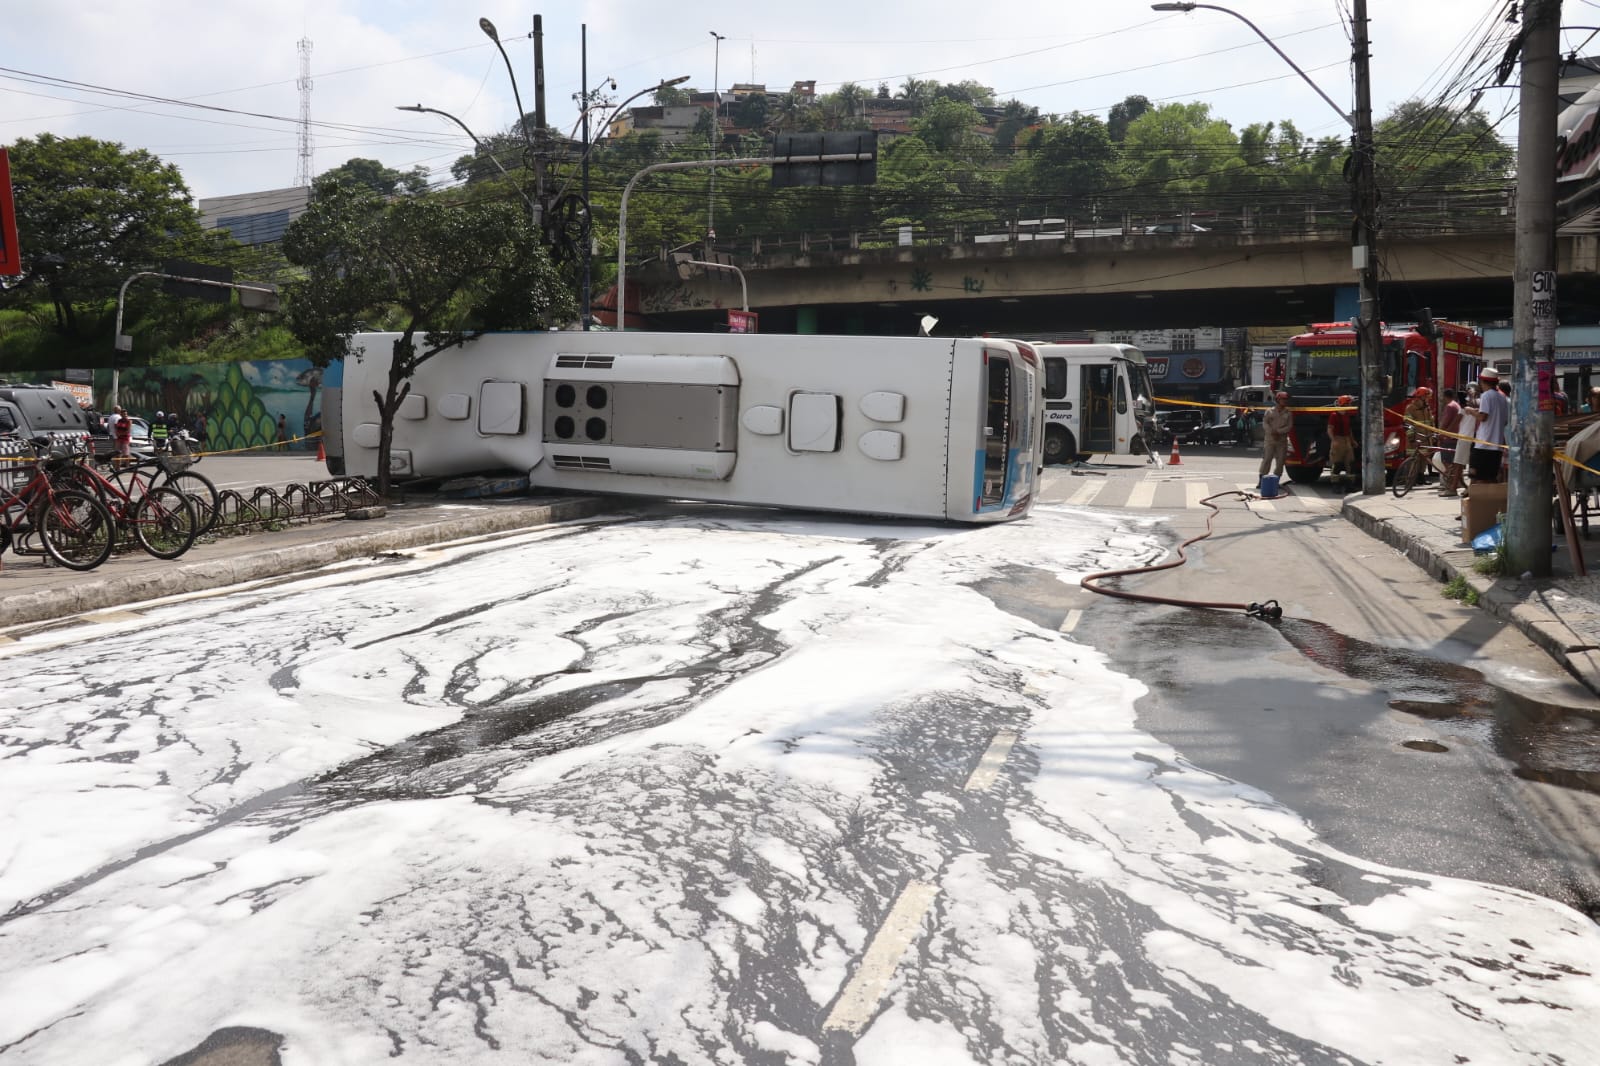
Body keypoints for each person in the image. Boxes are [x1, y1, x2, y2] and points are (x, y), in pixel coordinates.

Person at [1471, 367, 1509, 484]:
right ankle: (1490, 500)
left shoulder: (1486, 395)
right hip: (1496, 445)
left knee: (1477, 477)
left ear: (1483, 382)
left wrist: (1470, 411)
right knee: (1491, 477)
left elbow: (1483, 417)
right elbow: (1505, 421)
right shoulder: (1503, 398)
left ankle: (1479, 500)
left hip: (1484, 444)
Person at [1259, 390, 1293, 483]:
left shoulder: (1288, 413)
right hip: (1270, 440)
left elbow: (1289, 426)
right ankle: (1261, 480)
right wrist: (1271, 432)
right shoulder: (1269, 411)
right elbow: (1265, 423)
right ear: (1277, 400)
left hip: (1282, 441)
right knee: (1267, 459)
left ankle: (1275, 481)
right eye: (1283, 399)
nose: (1285, 401)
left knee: (1280, 462)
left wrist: (1278, 432)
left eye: (1286, 399)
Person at [1436, 388, 1464, 496]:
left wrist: (1440, 433)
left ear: (1445, 396)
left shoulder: (1450, 406)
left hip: (1448, 437)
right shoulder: (1456, 405)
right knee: (1454, 462)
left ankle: (1451, 484)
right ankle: (1457, 482)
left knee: (1447, 462)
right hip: (1455, 437)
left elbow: (1445, 421)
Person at [1327, 394, 1357, 486]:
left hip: (1347, 440)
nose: (1351, 405)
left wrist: (1353, 441)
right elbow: (1329, 429)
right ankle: (1335, 484)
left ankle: (1350, 485)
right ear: (1345, 404)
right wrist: (1334, 440)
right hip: (1338, 440)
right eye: (1349, 403)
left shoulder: (1347, 414)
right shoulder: (1334, 415)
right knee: (1337, 464)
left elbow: (1349, 429)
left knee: (1350, 463)